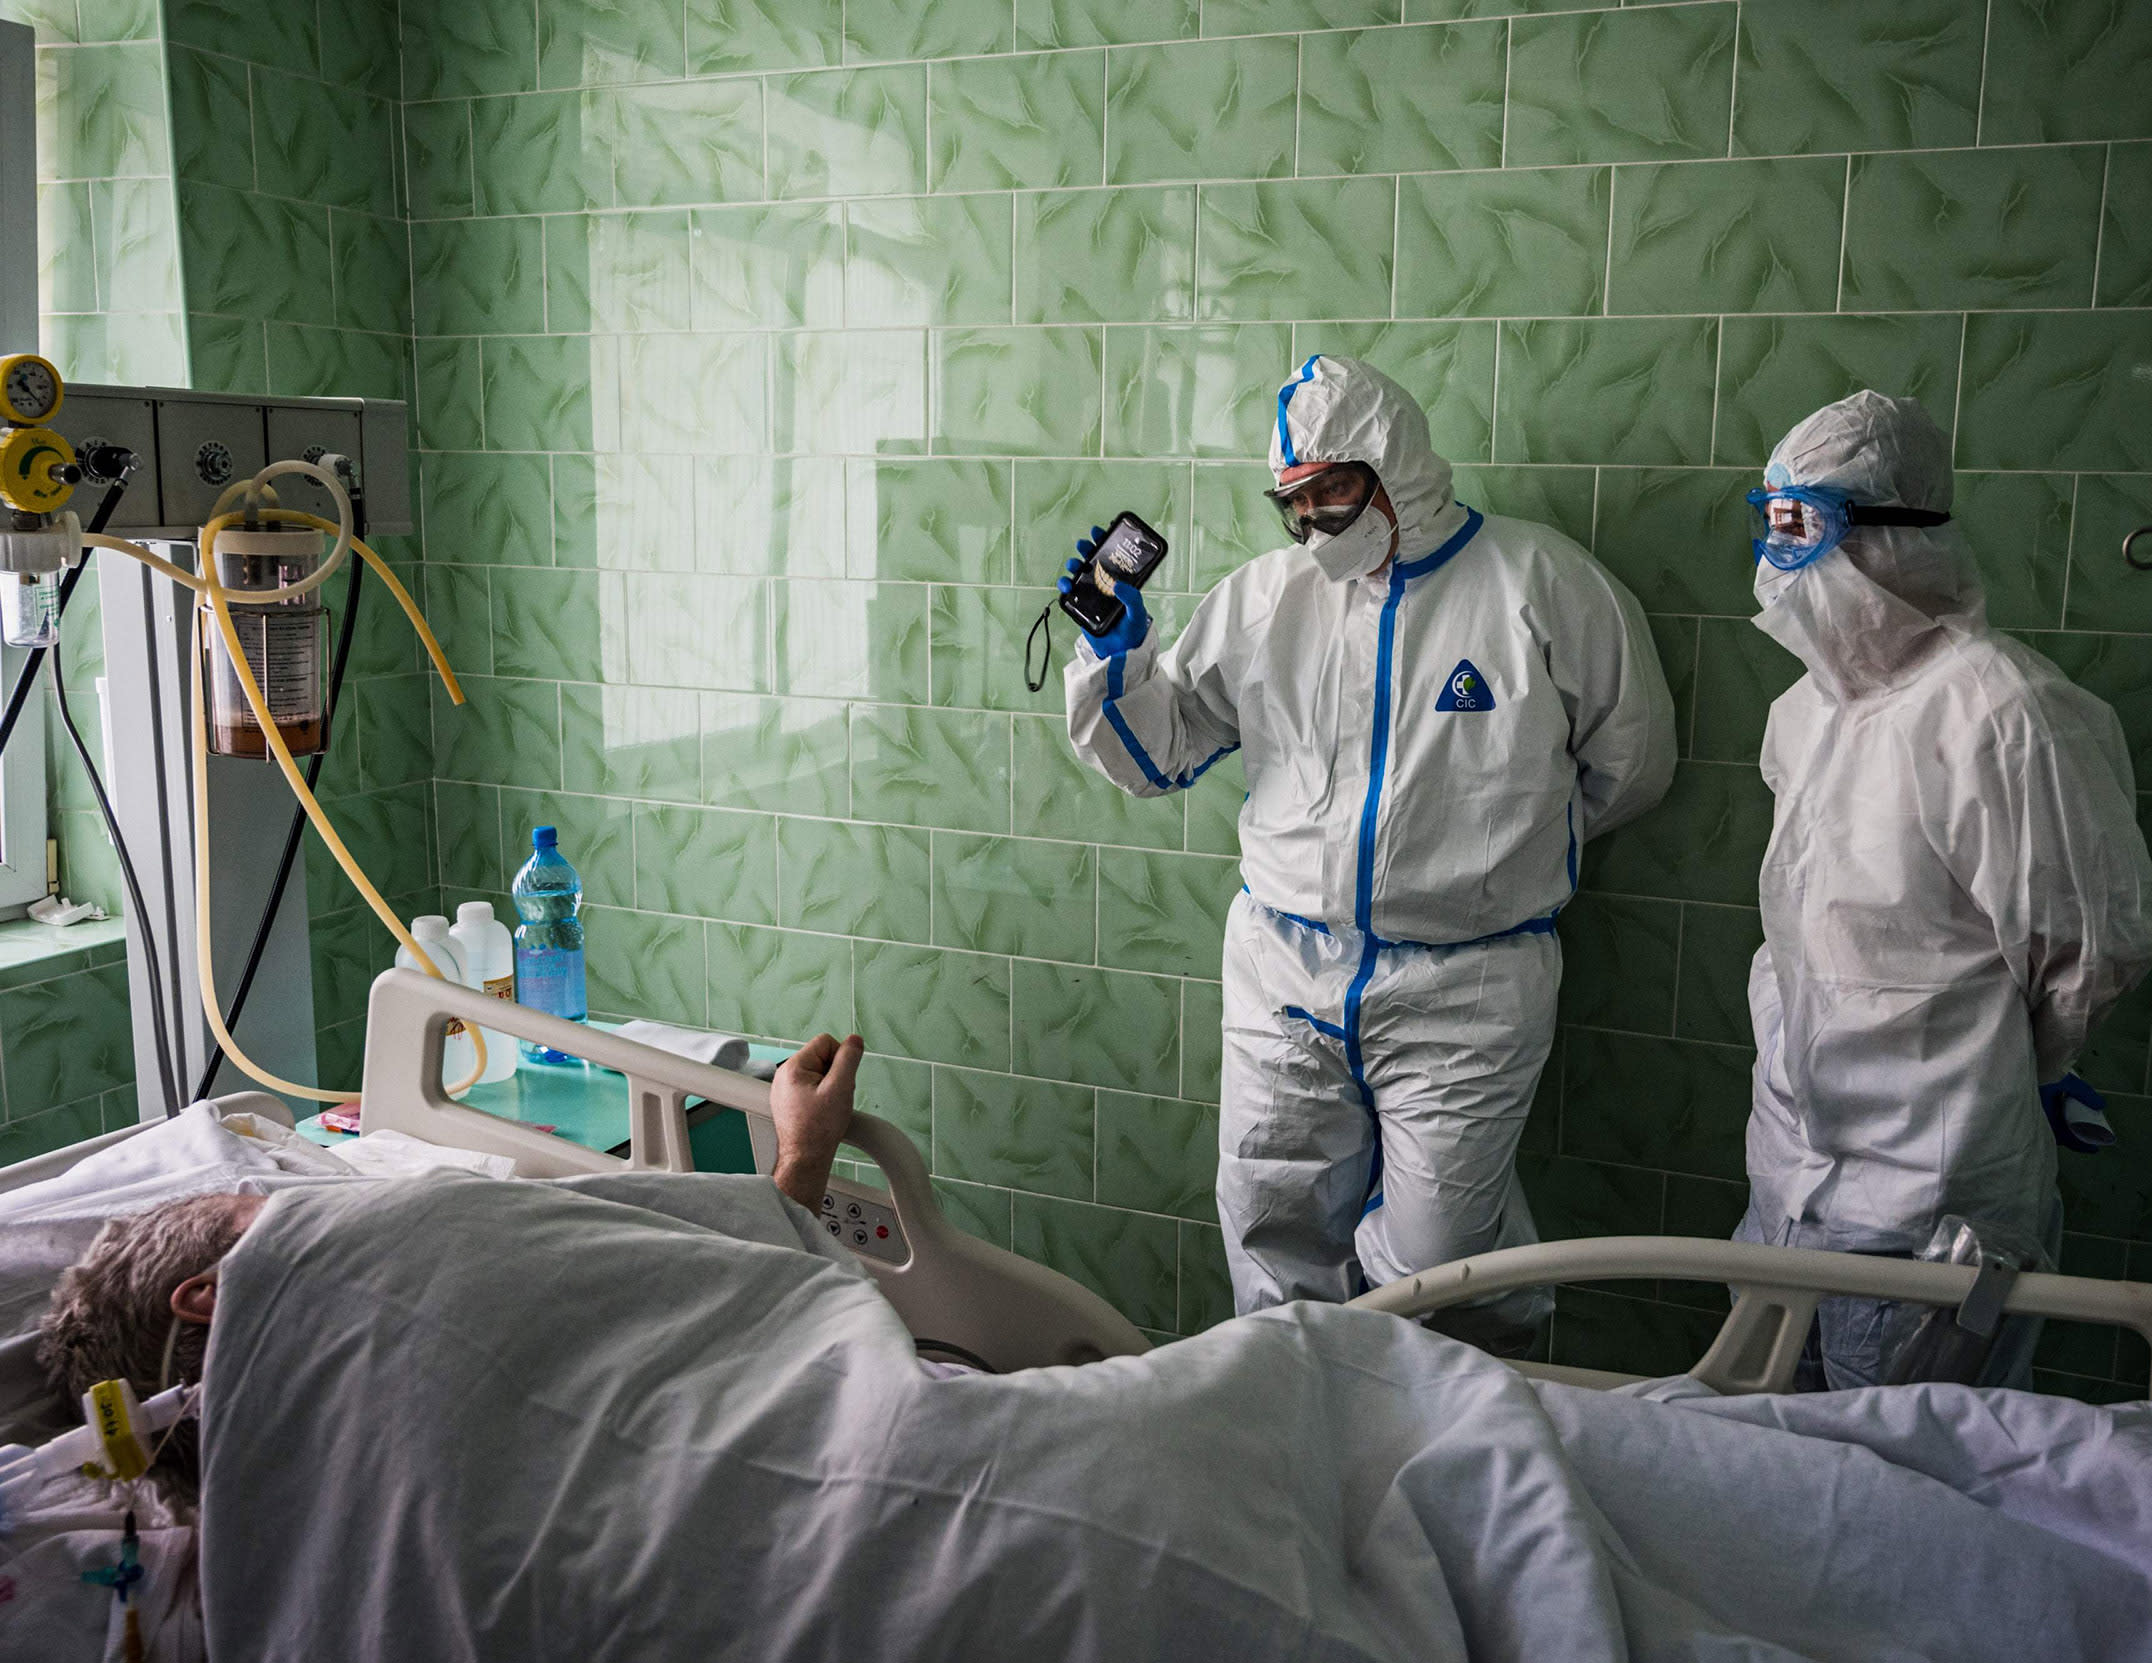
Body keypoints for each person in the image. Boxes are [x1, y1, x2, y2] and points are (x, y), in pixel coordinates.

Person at [1059, 355, 1677, 1353]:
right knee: (1273, 1226)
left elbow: (1633, 761)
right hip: (1283, 969)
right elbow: (1156, 757)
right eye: (1294, 502)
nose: (1313, 522)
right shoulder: (1264, 600)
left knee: (1449, 1256)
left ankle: (1455, 1428)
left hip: (1468, 983)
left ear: (1396, 464)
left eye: (1333, 489)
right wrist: (1114, 657)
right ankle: (1298, 1425)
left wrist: (1490, 858)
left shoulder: (1541, 583)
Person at [1735, 390, 2152, 1389]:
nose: (1779, 561)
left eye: (1805, 527)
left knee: (1906, 1465)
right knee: (1771, 1448)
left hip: (1929, 1202)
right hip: (1788, 1177)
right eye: (1772, 523)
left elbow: (2093, 951)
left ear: (1893, 541)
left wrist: (2006, 1070)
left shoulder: (2004, 715)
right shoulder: (1805, 713)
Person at [34, 1030, 868, 1487]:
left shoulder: (312, 1487)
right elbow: (709, 1277)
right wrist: (804, 1148)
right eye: (262, 1206)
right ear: (211, 1293)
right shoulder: (413, 1251)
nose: (305, 1200)